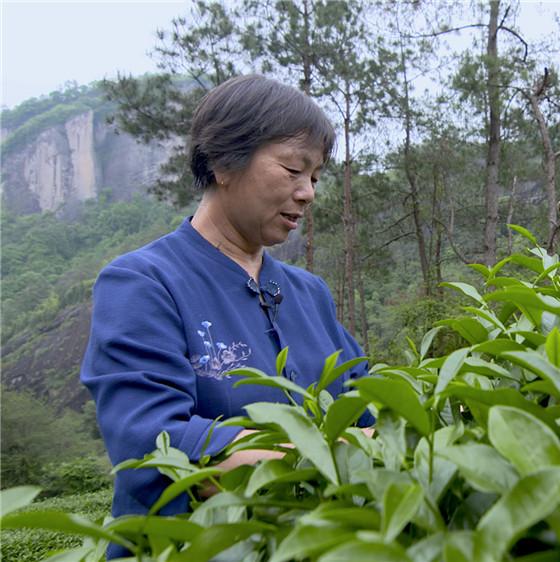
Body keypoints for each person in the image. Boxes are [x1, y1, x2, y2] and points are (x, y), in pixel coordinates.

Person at [80, 75, 373, 558]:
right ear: (222, 161)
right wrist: (347, 448)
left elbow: (374, 407)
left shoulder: (309, 293)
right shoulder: (143, 282)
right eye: (292, 169)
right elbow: (158, 454)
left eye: (316, 177)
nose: (308, 194)